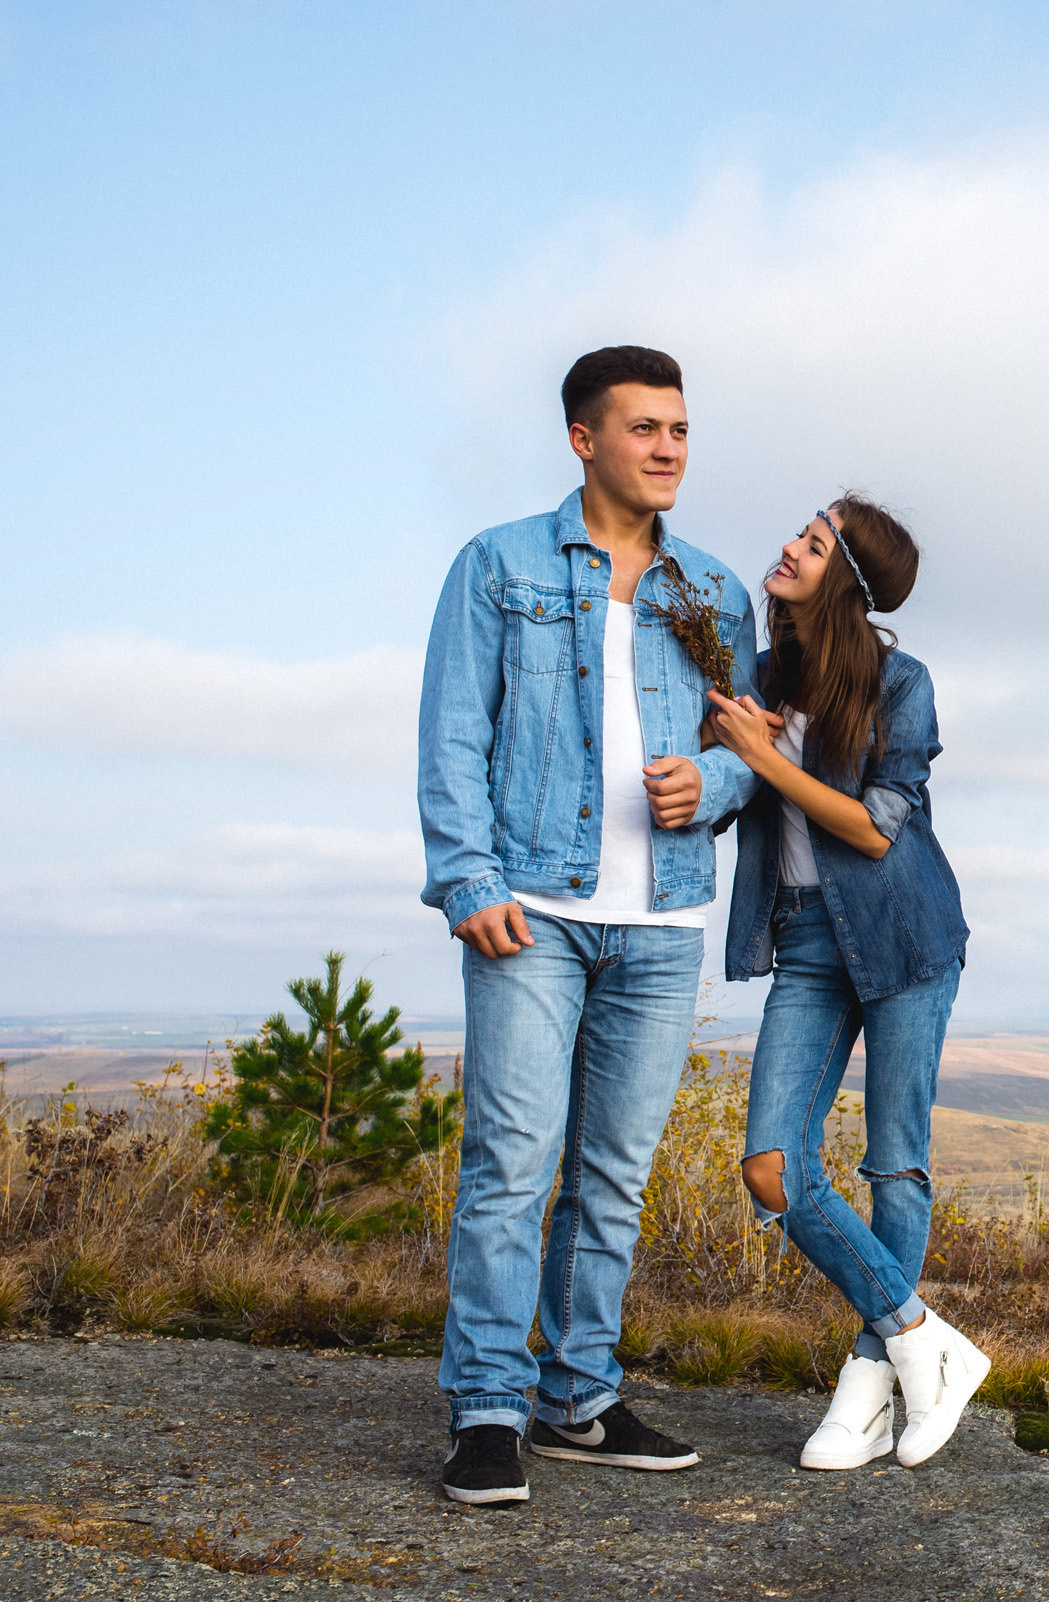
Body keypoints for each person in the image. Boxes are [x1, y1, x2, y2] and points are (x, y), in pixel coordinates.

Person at [417, 346, 759, 1506]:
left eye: (680, 429)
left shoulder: (712, 592)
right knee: (510, 1167)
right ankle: (487, 1411)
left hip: (661, 922)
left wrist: (706, 791)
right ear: (584, 439)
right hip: (533, 912)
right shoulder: (499, 563)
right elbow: (455, 731)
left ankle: (578, 1399)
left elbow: (749, 753)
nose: (668, 449)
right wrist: (468, 882)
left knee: (613, 1174)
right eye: (644, 429)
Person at [705, 495, 982, 1470]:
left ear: (849, 583)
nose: (788, 544)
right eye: (798, 530)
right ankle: (918, 1341)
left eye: (814, 544)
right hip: (809, 942)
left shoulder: (903, 683)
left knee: (895, 1164)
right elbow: (726, 786)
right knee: (772, 1168)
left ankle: (867, 1391)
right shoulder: (764, 674)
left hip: (905, 933)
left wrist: (762, 758)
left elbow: (873, 827)